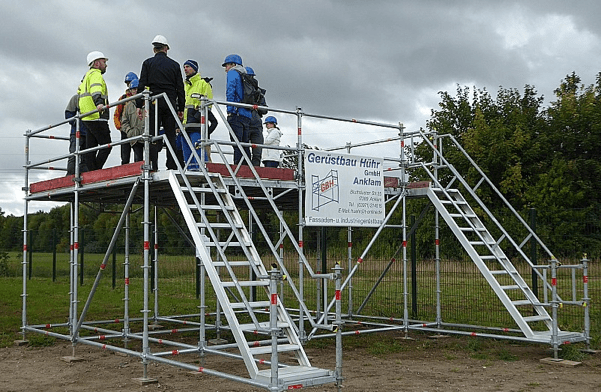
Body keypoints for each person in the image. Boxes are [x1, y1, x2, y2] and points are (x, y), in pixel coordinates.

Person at [136, 35, 185, 171]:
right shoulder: (174, 65)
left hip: (154, 103)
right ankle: (171, 165)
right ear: (166, 48)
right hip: (169, 103)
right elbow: (180, 89)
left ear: (154, 49)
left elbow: (142, 85)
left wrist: (138, 105)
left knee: (152, 135)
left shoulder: (147, 63)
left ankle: (153, 166)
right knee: (171, 136)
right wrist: (181, 108)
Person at [78, 51, 111, 171]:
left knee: (91, 147)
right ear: (96, 63)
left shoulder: (86, 76)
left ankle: (91, 171)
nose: (105, 65)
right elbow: (96, 90)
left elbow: (79, 93)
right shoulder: (96, 75)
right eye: (103, 62)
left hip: (87, 116)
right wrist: (99, 103)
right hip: (96, 115)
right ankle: (95, 171)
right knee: (107, 145)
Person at [182, 59, 213, 169]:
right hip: (184, 127)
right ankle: (191, 175)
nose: (185, 69)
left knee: (199, 156)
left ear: (194, 68)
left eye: (188, 66)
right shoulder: (184, 86)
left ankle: (201, 174)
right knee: (187, 157)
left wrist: (196, 118)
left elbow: (208, 106)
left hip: (197, 127)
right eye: (184, 67)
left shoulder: (204, 84)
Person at [222, 54, 251, 165]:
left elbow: (230, 90)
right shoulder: (246, 74)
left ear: (233, 64)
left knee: (237, 143)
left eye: (227, 65)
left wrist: (230, 110)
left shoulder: (233, 73)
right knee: (245, 144)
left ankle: (238, 167)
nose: (226, 69)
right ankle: (247, 167)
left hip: (236, 112)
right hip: (247, 114)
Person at [114, 72, 138, 164]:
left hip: (137, 129)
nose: (129, 85)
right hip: (125, 129)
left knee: (138, 153)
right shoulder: (123, 98)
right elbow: (117, 114)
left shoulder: (142, 98)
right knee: (125, 155)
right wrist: (120, 127)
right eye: (128, 83)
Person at [245, 66, 266, 166]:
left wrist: (256, 107)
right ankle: (245, 169)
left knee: (257, 152)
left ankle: (256, 171)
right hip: (245, 123)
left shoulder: (259, 94)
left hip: (256, 125)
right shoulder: (241, 92)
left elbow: (265, 109)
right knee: (243, 150)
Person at [119, 79, 144, 163]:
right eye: (134, 89)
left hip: (146, 136)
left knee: (150, 161)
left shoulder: (149, 102)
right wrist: (129, 131)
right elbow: (124, 121)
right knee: (136, 160)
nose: (136, 91)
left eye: (137, 88)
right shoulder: (128, 104)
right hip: (134, 137)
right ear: (131, 91)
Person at [65, 94, 89, 175]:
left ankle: (84, 174)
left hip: (88, 132)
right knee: (74, 155)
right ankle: (70, 175)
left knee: (86, 156)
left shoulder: (92, 98)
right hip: (76, 132)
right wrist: (76, 123)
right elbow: (68, 114)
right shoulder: (76, 98)